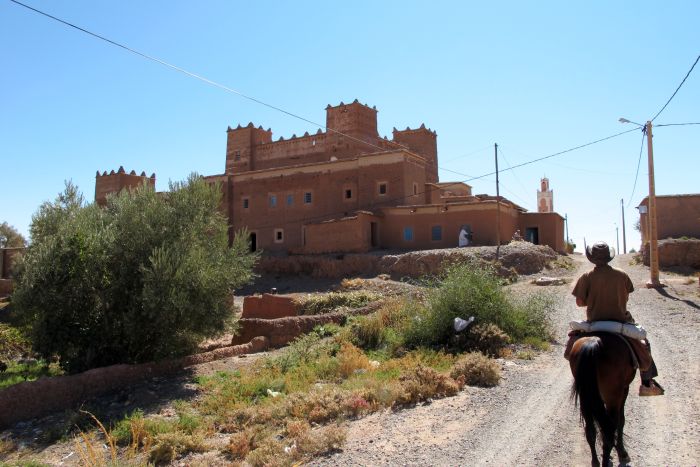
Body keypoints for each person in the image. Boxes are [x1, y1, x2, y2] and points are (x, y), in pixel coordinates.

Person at [568, 241, 664, 396]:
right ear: (609, 257)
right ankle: (647, 383)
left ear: (592, 258)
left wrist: (591, 299)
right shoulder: (622, 275)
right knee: (644, 344)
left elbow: (579, 302)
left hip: (594, 324)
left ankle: (578, 375)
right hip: (620, 323)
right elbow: (626, 296)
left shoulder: (586, 277)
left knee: (572, 342)